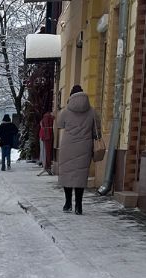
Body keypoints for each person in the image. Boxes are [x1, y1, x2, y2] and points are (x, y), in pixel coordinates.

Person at [56, 85, 101, 215]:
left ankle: (67, 203)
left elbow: (59, 124)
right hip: (85, 147)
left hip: (67, 147)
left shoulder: (65, 111)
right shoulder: (92, 112)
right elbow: (97, 131)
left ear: (71, 96)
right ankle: (79, 206)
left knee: (67, 175)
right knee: (80, 176)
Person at [38, 105, 56, 176]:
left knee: (45, 152)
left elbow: (45, 127)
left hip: (45, 136)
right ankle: (47, 166)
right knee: (47, 152)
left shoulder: (46, 116)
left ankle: (47, 166)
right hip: (47, 136)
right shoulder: (48, 116)